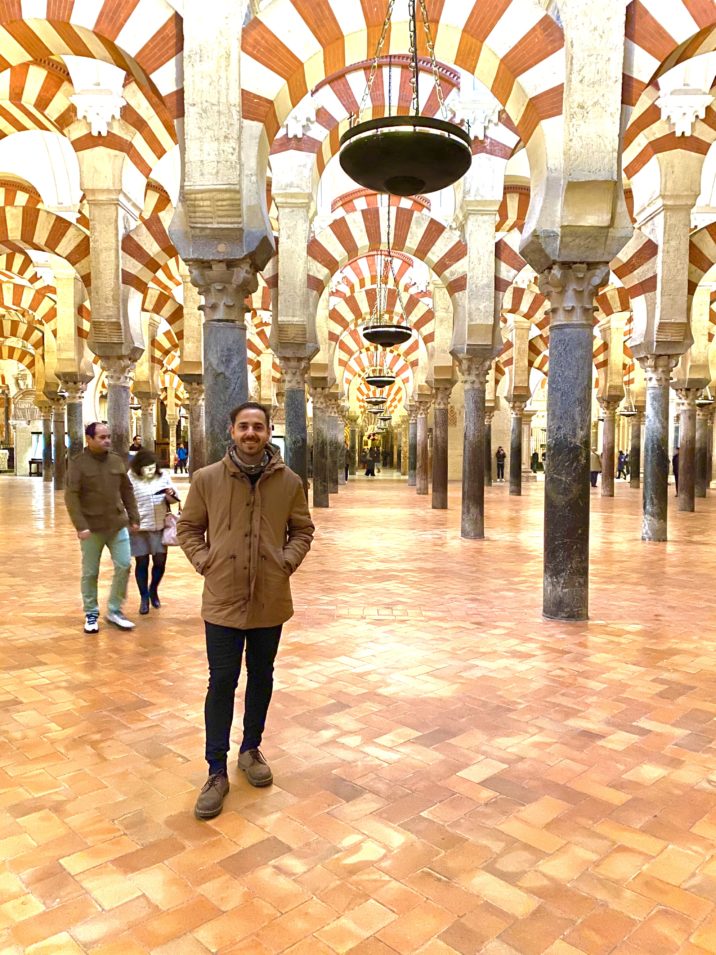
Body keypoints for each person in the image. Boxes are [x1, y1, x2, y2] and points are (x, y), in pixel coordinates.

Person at [177, 402, 314, 820]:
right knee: (221, 682)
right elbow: (187, 528)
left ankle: (250, 749)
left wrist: (285, 562)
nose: (251, 433)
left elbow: (303, 530)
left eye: (258, 426)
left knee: (262, 675)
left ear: (269, 431)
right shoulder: (206, 479)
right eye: (243, 426)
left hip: (269, 599)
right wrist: (206, 561)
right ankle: (215, 770)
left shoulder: (289, 482)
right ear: (231, 430)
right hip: (221, 600)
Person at [65, 422, 140, 633]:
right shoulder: (78, 463)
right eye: (101, 437)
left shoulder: (116, 460)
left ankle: (115, 610)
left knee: (124, 565)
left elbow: (127, 490)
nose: (107, 440)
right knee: (90, 572)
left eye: (108, 436)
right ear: (89, 439)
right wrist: (80, 525)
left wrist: (134, 517)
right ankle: (91, 613)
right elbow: (71, 497)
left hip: (117, 525)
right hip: (91, 527)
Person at [127, 450, 180, 614]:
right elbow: (124, 501)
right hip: (139, 528)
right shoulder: (130, 478)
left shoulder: (163, 476)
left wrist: (171, 494)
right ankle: (144, 597)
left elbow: (175, 497)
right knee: (141, 563)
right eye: (146, 469)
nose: (150, 471)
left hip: (159, 527)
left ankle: (153, 590)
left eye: (152, 468)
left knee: (160, 562)